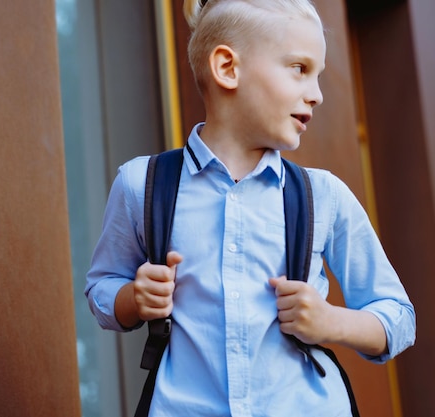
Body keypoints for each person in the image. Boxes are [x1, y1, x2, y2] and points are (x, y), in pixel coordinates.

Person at [85, 0, 416, 415]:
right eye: (299, 68)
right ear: (227, 68)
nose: (316, 95)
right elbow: (101, 288)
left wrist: (331, 321)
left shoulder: (324, 195)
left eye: (319, 76)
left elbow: (399, 318)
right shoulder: (142, 185)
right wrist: (133, 298)